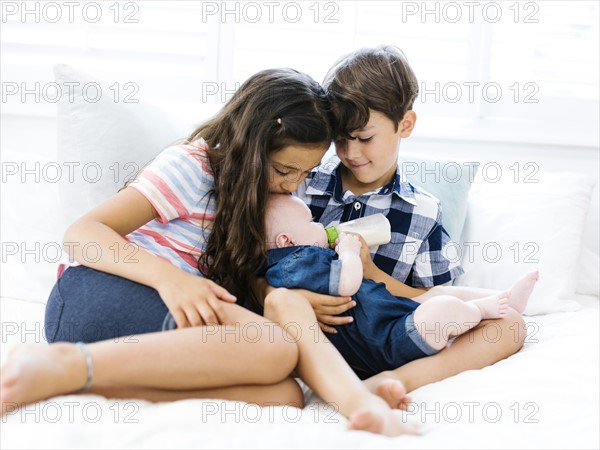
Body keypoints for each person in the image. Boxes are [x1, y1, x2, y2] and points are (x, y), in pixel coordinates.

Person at [0, 68, 414, 436]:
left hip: (154, 320)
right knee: (273, 348)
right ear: (251, 149)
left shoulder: (261, 201)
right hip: (97, 292)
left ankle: (71, 380)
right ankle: (67, 363)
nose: (293, 185)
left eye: (305, 174)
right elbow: (83, 233)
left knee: (285, 395)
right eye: (285, 171)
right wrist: (171, 279)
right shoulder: (194, 165)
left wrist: (276, 296)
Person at [294, 45, 528, 392]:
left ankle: (392, 383)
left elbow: (430, 300)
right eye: (340, 139)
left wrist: (370, 274)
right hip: (308, 335)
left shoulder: (423, 211)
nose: (350, 152)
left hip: (388, 344)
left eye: (364, 138)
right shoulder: (305, 185)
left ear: (405, 124)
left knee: (510, 324)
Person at [263, 194, 538, 379]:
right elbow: (347, 283)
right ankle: (479, 309)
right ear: (287, 241)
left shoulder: (421, 207)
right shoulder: (297, 260)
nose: (321, 225)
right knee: (442, 308)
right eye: (311, 222)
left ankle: (504, 298)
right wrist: (347, 252)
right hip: (387, 338)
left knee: (441, 295)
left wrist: (366, 265)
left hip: (392, 313)